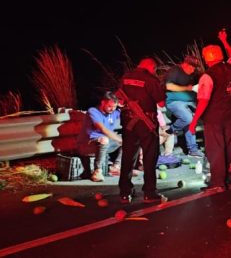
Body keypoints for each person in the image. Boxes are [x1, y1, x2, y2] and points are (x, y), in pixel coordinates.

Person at [189, 29, 231, 192]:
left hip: (214, 118)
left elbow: (203, 101)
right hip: (230, 115)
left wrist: (194, 121)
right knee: (226, 146)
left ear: (206, 58)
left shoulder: (207, 76)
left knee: (215, 149)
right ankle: (224, 177)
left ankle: (218, 183)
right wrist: (224, 41)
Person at [117, 57, 166, 204]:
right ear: (152, 67)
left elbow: (119, 99)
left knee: (128, 156)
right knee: (150, 157)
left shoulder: (125, 77)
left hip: (128, 122)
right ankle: (149, 192)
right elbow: (162, 103)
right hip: (146, 123)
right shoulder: (151, 79)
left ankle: (125, 193)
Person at [75, 91, 123, 182]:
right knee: (104, 139)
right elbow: (103, 130)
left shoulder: (115, 112)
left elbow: (126, 112)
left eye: (114, 107)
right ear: (103, 102)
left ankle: (115, 167)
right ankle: (97, 171)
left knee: (129, 139)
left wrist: (124, 106)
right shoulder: (93, 111)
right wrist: (119, 139)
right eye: (109, 106)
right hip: (87, 145)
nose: (112, 109)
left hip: (104, 145)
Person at [165, 56, 204, 158]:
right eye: (192, 67)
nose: (193, 70)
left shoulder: (192, 75)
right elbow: (168, 86)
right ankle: (171, 130)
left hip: (189, 101)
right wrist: (187, 88)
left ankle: (193, 150)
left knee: (193, 120)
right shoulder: (175, 70)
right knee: (188, 118)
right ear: (185, 64)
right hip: (174, 101)